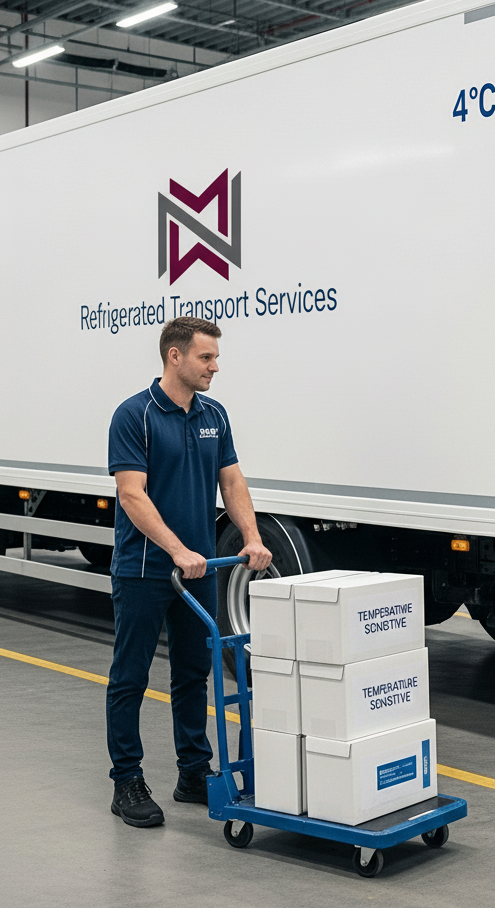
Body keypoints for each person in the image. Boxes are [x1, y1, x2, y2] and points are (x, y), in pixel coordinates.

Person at [106, 317, 272, 828]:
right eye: (206, 357)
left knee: (194, 673)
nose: (214, 367)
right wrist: (177, 549)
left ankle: (194, 772)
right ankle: (126, 780)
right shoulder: (134, 415)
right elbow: (131, 494)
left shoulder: (213, 415)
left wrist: (251, 537)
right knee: (130, 676)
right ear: (174, 356)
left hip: (197, 569)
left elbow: (232, 481)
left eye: (215, 358)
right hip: (144, 569)